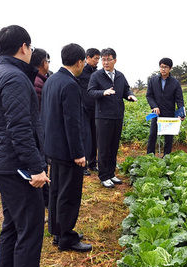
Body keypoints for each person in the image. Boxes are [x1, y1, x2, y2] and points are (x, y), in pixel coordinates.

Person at [0, 25, 62, 267]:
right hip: (17, 166)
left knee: (13, 227)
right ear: (23, 47)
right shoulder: (16, 77)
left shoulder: (0, 73)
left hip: (4, 163)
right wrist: (37, 169)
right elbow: (20, 130)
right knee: (29, 231)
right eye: (30, 48)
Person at [41, 43, 92, 252]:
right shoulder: (70, 84)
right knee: (69, 195)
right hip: (68, 150)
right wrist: (78, 153)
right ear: (80, 62)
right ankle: (66, 238)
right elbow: (72, 122)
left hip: (53, 147)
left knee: (56, 192)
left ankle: (58, 231)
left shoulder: (51, 80)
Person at [87, 48, 137, 188]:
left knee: (114, 147)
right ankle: (103, 176)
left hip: (117, 115)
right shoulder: (96, 76)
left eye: (108, 59)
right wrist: (103, 92)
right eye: (103, 59)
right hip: (103, 116)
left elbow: (126, 89)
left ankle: (111, 173)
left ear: (115, 60)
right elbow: (90, 92)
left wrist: (130, 95)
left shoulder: (120, 75)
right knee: (104, 147)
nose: (105, 62)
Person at [146, 57, 185, 156]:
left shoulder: (175, 83)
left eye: (166, 67)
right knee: (152, 135)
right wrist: (154, 106)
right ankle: (150, 156)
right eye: (161, 67)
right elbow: (149, 95)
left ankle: (167, 156)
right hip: (157, 113)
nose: (163, 69)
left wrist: (182, 113)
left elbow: (179, 99)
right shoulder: (153, 80)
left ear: (170, 68)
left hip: (169, 113)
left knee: (168, 137)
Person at [29, 48, 51, 207]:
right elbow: (38, 112)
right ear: (44, 63)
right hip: (37, 133)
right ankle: (47, 203)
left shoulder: (39, 79)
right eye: (48, 61)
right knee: (40, 168)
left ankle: (47, 202)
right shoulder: (37, 83)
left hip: (38, 132)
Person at [77, 48, 100, 176]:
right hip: (83, 108)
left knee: (94, 136)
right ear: (88, 58)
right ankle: (83, 164)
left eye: (98, 59)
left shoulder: (97, 73)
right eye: (96, 58)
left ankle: (92, 163)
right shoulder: (81, 72)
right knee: (84, 136)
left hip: (95, 108)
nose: (98, 61)